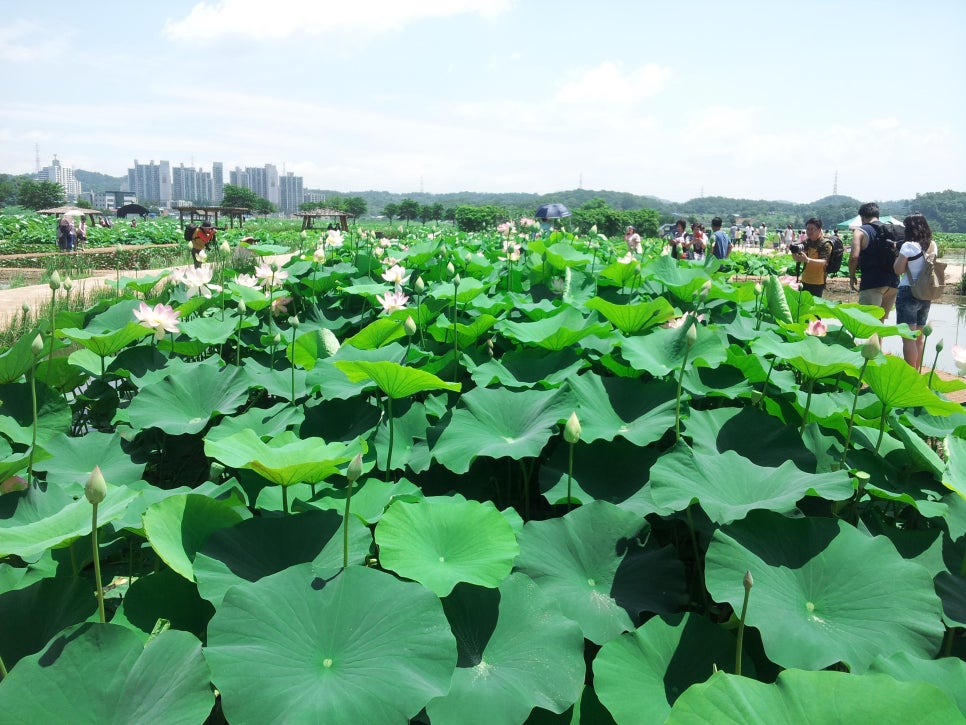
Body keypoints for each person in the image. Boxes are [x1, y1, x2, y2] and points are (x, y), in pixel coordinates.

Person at [894, 213, 938, 367]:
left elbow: (898, 270)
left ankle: (910, 373)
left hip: (908, 291)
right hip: (925, 293)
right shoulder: (932, 245)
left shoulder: (908, 246)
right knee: (919, 337)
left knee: (908, 338)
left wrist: (897, 255)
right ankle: (917, 371)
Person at [848, 201, 899, 320]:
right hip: (893, 283)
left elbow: (854, 257)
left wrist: (852, 275)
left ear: (862, 217)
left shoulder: (860, 231)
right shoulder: (891, 229)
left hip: (872, 282)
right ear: (877, 215)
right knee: (880, 323)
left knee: (867, 322)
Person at [792, 217, 831, 297]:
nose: (809, 232)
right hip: (805, 279)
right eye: (807, 229)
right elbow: (797, 259)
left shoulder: (825, 244)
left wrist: (807, 260)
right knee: (802, 303)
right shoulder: (807, 242)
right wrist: (794, 252)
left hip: (817, 282)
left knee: (814, 303)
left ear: (819, 230)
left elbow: (824, 262)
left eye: (812, 229)